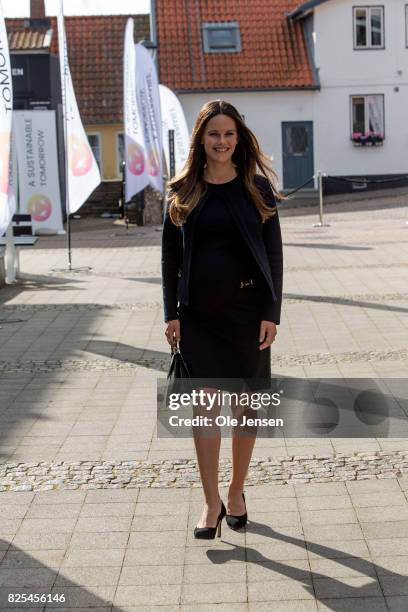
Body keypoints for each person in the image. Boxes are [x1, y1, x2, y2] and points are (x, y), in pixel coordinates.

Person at [161, 99, 283, 539]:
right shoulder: (182, 189)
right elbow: (169, 256)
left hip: (249, 316)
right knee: (206, 409)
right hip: (198, 317)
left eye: (229, 134)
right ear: (201, 139)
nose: (222, 141)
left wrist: (272, 313)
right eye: (214, 134)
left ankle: (236, 491)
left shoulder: (256, 188)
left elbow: (273, 253)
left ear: (239, 138)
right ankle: (210, 501)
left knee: (246, 408)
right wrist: (170, 313)